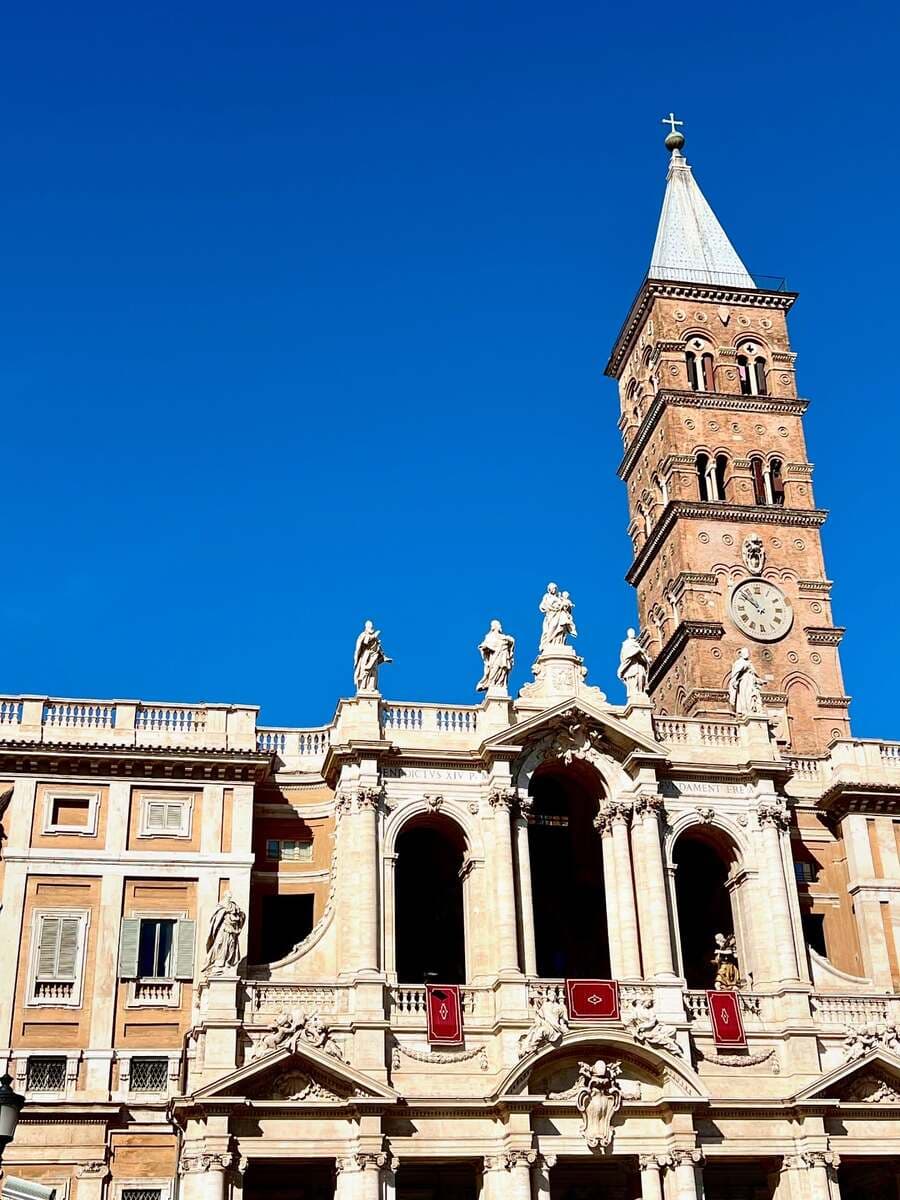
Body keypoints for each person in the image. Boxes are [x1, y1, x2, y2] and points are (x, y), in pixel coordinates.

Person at [203, 893, 245, 976]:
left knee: (231, 947)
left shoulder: (234, 906)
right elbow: (216, 917)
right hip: (223, 930)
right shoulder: (221, 906)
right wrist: (225, 911)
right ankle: (218, 965)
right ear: (225, 896)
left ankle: (228, 964)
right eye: (228, 896)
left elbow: (240, 916)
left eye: (230, 897)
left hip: (232, 931)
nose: (229, 898)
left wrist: (237, 917)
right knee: (219, 945)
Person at [476, 620, 516, 692]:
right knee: (494, 670)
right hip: (494, 657)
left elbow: (512, 641)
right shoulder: (489, 636)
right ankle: (491, 684)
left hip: (503, 655)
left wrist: (508, 640)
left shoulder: (504, 637)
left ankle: (500, 685)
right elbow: (484, 645)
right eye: (498, 625)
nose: (499, 627)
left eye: (499, 625)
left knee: (503, 670)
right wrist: (485, 647)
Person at [353, 620, 391, 693]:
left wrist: (385, 658)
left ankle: (372, 688)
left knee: (374, 672)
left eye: (371, 626)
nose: (371, 628)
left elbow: (379, 648)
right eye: (369, 626)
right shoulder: (363, 635)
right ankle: (363, 687)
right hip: (366, 656)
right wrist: (374, 636)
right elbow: (365, 642)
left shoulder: (375, 638)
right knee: (365, 671)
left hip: (374, 657)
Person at [728, 648, 763, 717]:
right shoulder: (739, 662)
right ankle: (744, 710)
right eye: (745, 653)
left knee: (750, 694)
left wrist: (759, 680)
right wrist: (734, 681)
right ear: (741, 654)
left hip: (750, 680)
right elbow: (735, 673)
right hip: (743, 681)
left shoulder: (749, 663)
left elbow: (755, 674)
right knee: (744, 694)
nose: (747, 654)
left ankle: (751, 710)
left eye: (747, 653)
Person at [617, 628, 649, 700]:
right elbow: (626, 655)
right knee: (634, 682)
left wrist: (643, 656)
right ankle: (637, 695)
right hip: (631, 667)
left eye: (633, 633)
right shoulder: (627, 644)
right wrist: (638, 651)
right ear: (628, 634)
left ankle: (641, 693)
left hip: (639, 665)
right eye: (631, 633)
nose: (633, 634)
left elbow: (641, 656)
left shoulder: (636, 644)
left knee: (641, 677)